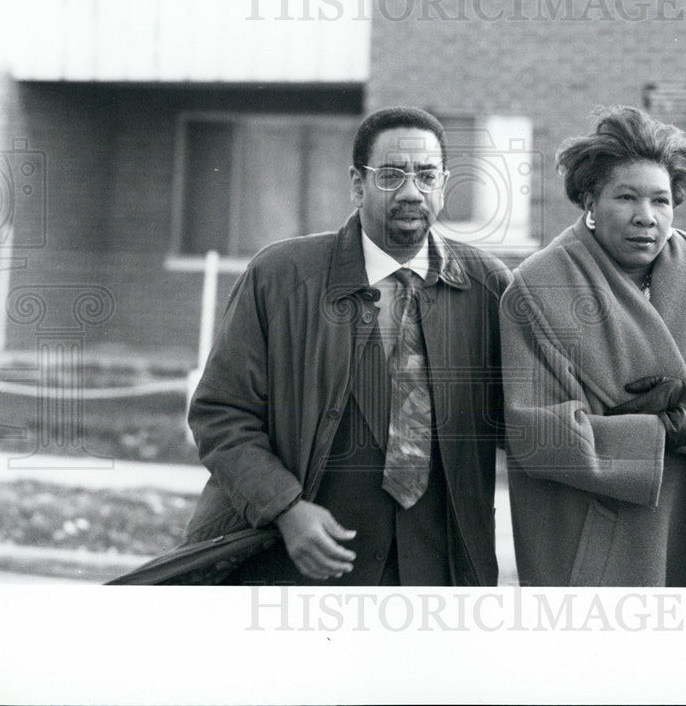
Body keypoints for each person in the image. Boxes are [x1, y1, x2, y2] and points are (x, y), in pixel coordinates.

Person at [183, 107, 509, 586]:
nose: (411, 191)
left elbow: (524, 414)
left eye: (426, 175)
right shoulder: (281, 278)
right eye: (392, 174)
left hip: (440, 574)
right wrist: (285, 509)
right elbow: (221, 412)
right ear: (358, 184)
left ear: (443, 184)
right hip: (300, 565)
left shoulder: (488, 287)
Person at [499, 106, 686, 587]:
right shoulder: (536, 288)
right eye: (626, 197)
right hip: (594, 544)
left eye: (661, 201)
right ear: (590, 201)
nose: (646, 217)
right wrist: (665, 430)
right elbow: (536, 434)